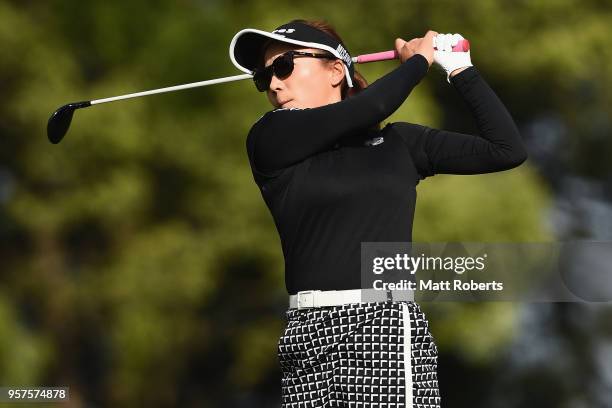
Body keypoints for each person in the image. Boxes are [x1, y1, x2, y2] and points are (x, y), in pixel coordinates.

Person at [230, 19, 527, 407]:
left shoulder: (399, 143)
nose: (273, 83)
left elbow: (505, 149)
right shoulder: (270, 138)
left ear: (336, 70)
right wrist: (416, 63)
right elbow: (373, 104)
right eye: (263, 76)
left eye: (284, 66)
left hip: (378, 326)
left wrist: (459, 69)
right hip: (305, 333)